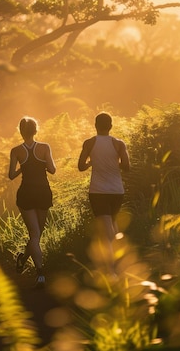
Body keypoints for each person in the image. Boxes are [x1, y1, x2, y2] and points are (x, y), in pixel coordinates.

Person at [77, 112, 130, 277]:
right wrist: (115, 162)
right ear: (111, 126)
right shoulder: (119, 144)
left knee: (107, 229)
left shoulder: (89, 143)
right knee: (111, 225)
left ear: (95, 125)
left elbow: (80, 166)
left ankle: (113, 269)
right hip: (116, 191)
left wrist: (93, 162)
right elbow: (127, 167)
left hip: (98, 191)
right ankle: (118, 263)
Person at [8, 116, 56, 288]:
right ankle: (40, 273)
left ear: (21, 131)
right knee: (36, 235)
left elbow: (11, 175)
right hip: (43, 192)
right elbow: (52, 169)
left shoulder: (16, 151)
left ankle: (23, 258)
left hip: (26, 193)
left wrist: (24, 166)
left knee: (35, 235)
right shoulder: (44, 148)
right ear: (36, 130)